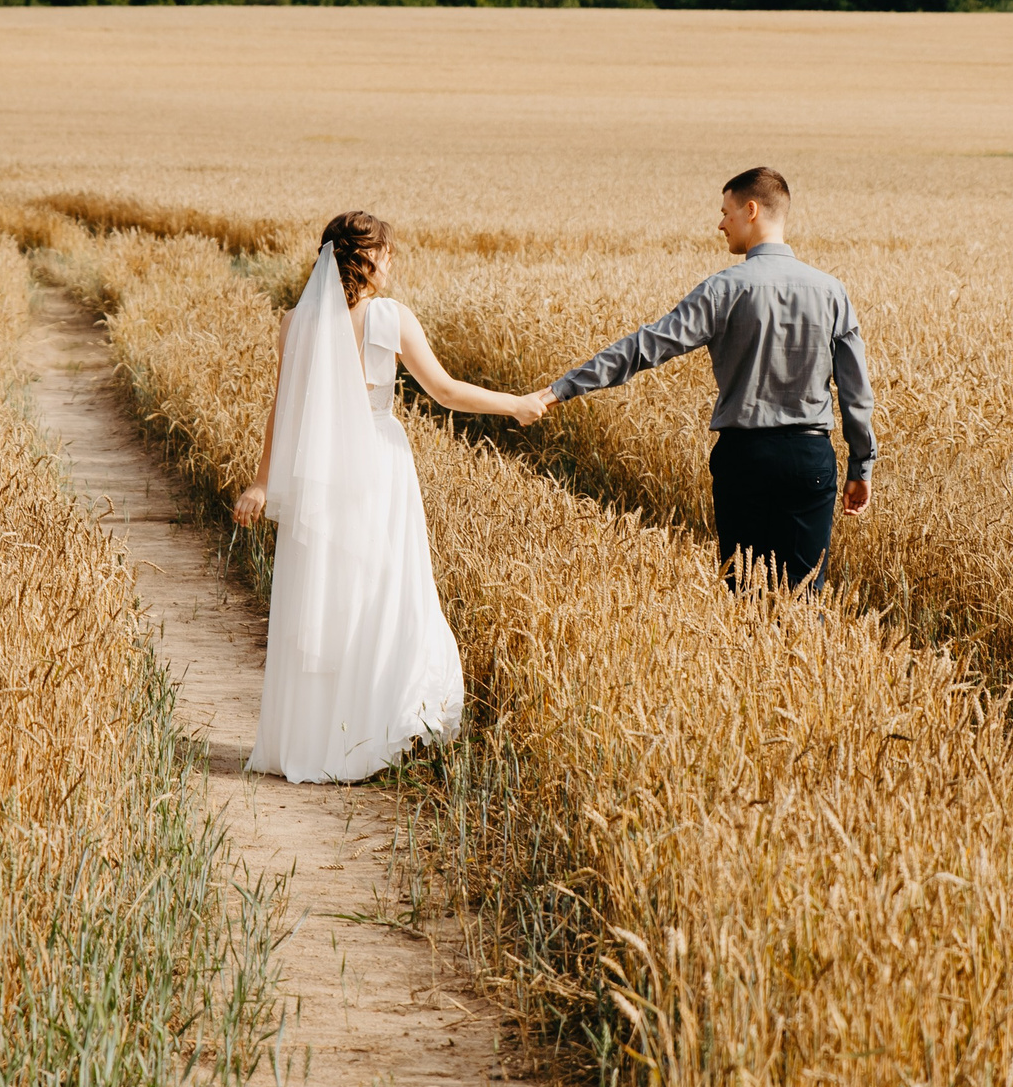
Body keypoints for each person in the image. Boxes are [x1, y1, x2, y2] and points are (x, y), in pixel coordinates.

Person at [232, 211, 547, 783]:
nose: (392, 260)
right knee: (386, 591)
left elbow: (284, 410)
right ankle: (376, 730)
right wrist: (517, 403)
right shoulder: (390, 319)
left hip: (318, 471)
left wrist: (262, 480)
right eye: (386, 251)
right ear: (364, 259)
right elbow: (446, 391)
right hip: (378, 464)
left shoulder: (295, 321)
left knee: (327, 595)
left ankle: (318, 737)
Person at [530, 167, 873, 591]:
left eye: (726, 212)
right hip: (810, 461)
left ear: (751, 210)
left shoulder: (723, 289)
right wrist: (861, 464)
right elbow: (856, 393)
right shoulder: (831, 291)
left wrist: (561, 389)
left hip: (744, 459)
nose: (720, 223)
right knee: (805, 599)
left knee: (743, 596)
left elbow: (645, 347)